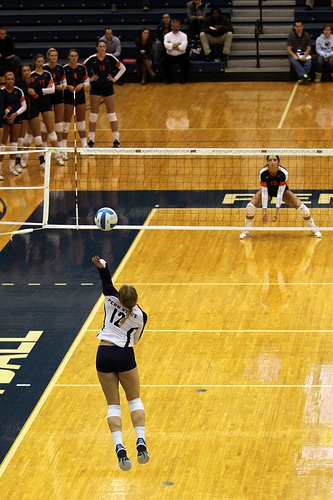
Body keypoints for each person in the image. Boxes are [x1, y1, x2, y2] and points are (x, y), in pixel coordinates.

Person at [92, 255, 149, 472]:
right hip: (125, 355)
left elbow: (106, 281)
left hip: (103, 354)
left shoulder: (109, 298)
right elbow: (136, 340)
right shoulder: (140, 315)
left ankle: (119, 445)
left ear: (120, 296)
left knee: (113, 405)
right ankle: (141, 441)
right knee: (134, 400)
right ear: (135, 299)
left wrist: (103, 266)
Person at [239, 155, 322, 239]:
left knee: (304, 210)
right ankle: (247, 231)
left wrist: (276, 212)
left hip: (283, 192)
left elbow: (280, 192)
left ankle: (314, 228)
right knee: (249, 207)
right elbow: (264, 192)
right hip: (267, 191)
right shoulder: (263, 173)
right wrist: (264, 212)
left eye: (274, 160)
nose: (272, 162)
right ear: (267, 162)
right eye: (270, 160)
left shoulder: (283, 173)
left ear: (278, 162)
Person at [84, 40, 126, 148]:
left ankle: (116, 140)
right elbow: (82, 68)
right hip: (96, 88)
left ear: (105, 48)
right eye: (100, 46)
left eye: (104, 46)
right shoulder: (92, 58)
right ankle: (91, 140)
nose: (102, 48)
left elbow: (123, 68)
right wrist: (90, 79)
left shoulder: (110, 57)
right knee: (94, 115)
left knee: (112, 115)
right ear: (97, 47)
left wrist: (114, 79)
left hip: (108, 87)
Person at [30, 53, 64, 167]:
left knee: (51, 131)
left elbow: (52, 89)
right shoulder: (31, 75)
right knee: (34, 134)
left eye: (41, 61)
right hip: (34, 104)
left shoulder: (47, 74)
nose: (40, 63)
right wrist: (43, 90)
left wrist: (39, 91)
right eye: (38, 61)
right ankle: (42, 159)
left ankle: (58, 156)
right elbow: (29, 90)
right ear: (35, 62)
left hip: (45, 103)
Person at [15, 64, 46, 171]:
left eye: (28, 70)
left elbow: (41, 99)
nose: (26, 72)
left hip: (34, 113)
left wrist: (34, 95)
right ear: (21, 72)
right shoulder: (18, 84)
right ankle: (18, 161)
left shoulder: (36, 82)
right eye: (24, 70)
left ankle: (42, 161)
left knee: (38, 137)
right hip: (22, 115)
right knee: (20, 139)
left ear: (30, 71)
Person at [0, 71, 26, 178]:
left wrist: (15, 114)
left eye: (12, 79)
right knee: (2, 144)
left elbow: (24, 106)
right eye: (8, 79)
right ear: (5, 80)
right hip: (4, 121)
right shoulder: (1, 92)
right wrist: (5, 117)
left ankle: (12, 168)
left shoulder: (19, 91)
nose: (11, 81)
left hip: (16, 119)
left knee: (14, 143)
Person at [43, 48, 67, 159]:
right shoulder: (44, 69)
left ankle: (61, 150)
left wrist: (62, 86)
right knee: (45, 123)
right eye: (52, 55)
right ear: (48, 57)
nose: (54, 57)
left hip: (58, 95)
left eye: (55, 55)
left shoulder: (60, 68)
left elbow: (65, 83)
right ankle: (43, 148)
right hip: (46, 97)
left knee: (59, 123)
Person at [63, 49, 89, 149]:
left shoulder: (82, 68)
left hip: (80, 96)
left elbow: (87, 82)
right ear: (68, 57)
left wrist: (82, 85)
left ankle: (84, 145)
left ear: (77, 57)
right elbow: (62, 84)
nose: (73, 58)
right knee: (66, 122)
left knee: (81, 121)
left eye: (75, 56)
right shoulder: (64, 68)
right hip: (68, 96)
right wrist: (68, 87)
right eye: (72, 56)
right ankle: (63, 147)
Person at [163, 19, 189, 84]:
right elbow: (166, 46)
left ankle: (183, 78)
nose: (176, 28)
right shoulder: (167, 35)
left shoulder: (184, 35)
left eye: (177, 26)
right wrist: (177, 44)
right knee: (163, 62)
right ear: (171, 27)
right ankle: (169, 78)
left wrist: (171, 46)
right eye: (174, 26)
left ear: (179, 26)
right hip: (169, 55)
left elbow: (183, 48)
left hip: (181, 55)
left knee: (186, 62)